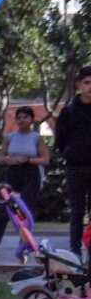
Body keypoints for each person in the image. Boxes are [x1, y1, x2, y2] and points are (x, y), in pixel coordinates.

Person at [0, 106, 49, 255]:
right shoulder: (10, 137)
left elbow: (45, 159)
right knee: (4, 208)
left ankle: (25, 245)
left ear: (31, 120)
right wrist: (9, 160)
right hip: (13, 173)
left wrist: (28, 159)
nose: (22, 120)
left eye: (25, 117)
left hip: (30, 174)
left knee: (25, 209)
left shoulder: (36, 138)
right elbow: (0, 158)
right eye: (19, 118)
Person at [54, 66, 91, 258]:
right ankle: (75, 249)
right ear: (79, 85)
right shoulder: (69, 111)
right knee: (77, 210)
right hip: (75, 167)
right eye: (87, 82)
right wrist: (69, 153)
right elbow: (60, 139)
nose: (90, 87)